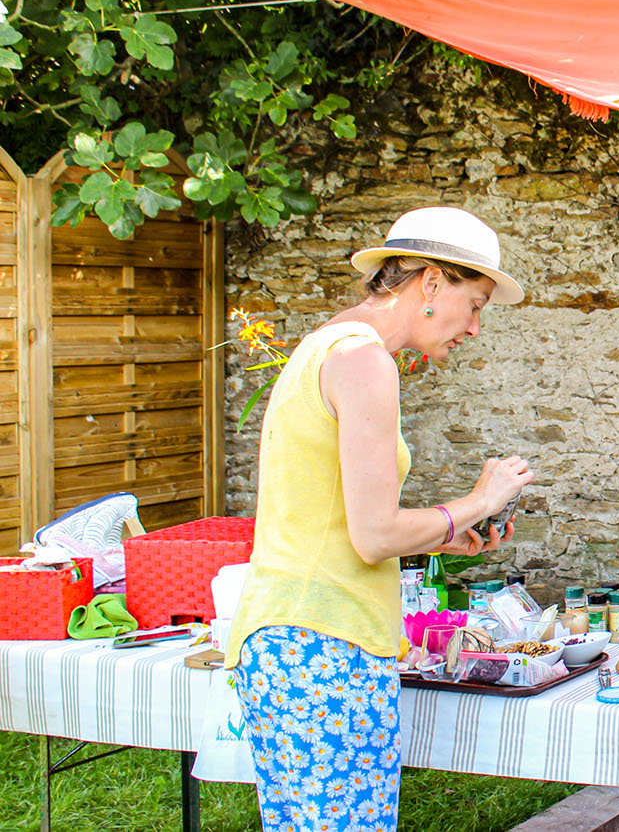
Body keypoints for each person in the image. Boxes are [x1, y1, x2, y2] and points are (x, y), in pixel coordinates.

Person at [224, 206, 537, 832]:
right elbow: (373, 537)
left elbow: (340, 523)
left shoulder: (328, 347)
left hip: (296, 639)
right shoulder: (365, 362)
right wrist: (480, 499)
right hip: (321, 645)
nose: (475, 327)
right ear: (429, 283)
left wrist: (454, 534)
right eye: (475, 304)